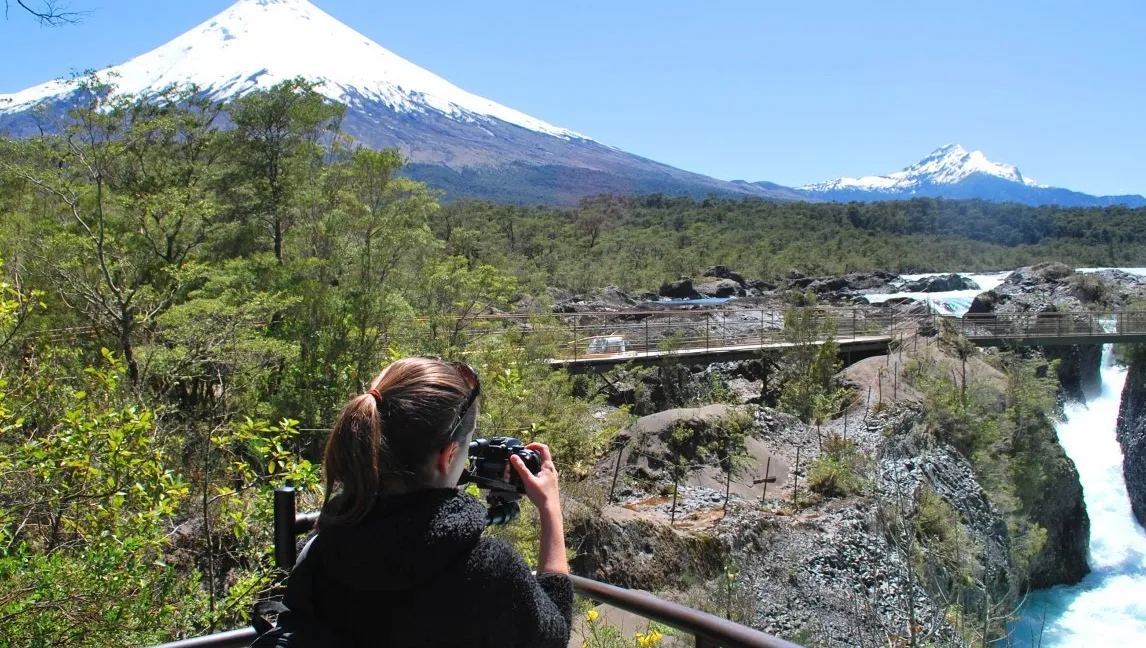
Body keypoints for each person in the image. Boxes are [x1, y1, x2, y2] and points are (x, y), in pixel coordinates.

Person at [280, 357, 572, 647]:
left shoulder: (327, 544)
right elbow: (553, 633)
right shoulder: (487, 569)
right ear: (447, 457)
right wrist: (550, 510)